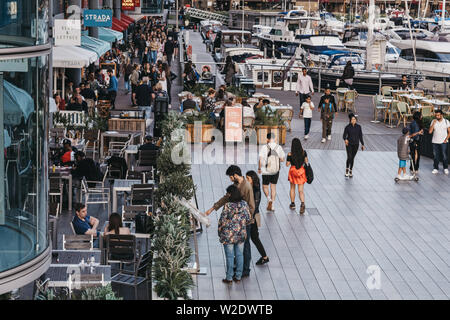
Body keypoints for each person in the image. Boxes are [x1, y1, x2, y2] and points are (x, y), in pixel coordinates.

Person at [205, 165, 255, 278]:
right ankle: (239, 271)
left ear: (235, 175)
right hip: (240, 223)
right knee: (240, 249)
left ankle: (245, 270)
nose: (230, 179)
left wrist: (247, 220)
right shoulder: (236, 185)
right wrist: (213, 208)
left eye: (230, 177)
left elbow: (251, 206)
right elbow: (226, 197)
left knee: (245, 247)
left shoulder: (247, 187)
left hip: (244, 223)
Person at [216, 185, 251, 284]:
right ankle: (238, 276)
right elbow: (248, 219)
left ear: (231, 194)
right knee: (240, 255)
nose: (227, 195)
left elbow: (222, 220)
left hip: (228, 236)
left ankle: (229, 278)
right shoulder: (244, 204)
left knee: (230, 256)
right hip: (241, 234)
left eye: (228, 193)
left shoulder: (228, 205)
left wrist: (220, 232)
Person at [245, 171, 269, 265]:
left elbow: (255, 206)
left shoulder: (256, 190)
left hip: (253, 217)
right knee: (254, 237)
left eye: (248, 178)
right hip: (251, 216)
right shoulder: (250, 188)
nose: (247, 180)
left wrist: (250, 218)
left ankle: (264, 257)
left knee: (253, 237)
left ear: (253, 179)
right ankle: (264, 257)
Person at [258, 133, 286, 212]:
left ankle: (268, 198)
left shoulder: (264, 147)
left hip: (266, 170)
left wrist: (259, 168)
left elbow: (260, 159)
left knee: (265, 187)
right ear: (275, 139)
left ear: (267, 139)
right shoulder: (278, 147)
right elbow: (282, 159)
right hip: (275, 170)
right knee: (273, 187)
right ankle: (273, 205)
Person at [286, 138, 308, 213]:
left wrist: (289, 159)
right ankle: (302, 203)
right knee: (301, 190)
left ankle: (292, 204)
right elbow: (306, 161)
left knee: (292, 188)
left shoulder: (290, 154)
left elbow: (287, 164)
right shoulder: (303, 152)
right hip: (301, 171)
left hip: (293, 171)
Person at [343, 113, 365, 178]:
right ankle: (347, 169)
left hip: (356, 144)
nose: (353, 120)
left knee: (352, 158)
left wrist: (362, 144)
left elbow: (360, 136)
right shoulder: (347, 127)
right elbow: (344, 135)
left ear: (356, 120)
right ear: (350, 120)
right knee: (349, 157)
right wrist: (345, 139)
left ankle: (351, 171)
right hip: (349, 144)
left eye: (354, 119)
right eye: (352, 119)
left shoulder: (359, 127)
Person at [428, 109, 450, 175]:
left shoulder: (446, 121)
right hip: (435, 141)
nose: (437, 116)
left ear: (441, 115)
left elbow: (449, 132)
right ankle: (435, 168)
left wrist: (446, 139)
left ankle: (445, 168)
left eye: (438, 115)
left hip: (443, 142)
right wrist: (433, 124)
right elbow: (430, 132)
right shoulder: (433, 121)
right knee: (435, 156)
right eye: (436, 115)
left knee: (444, 156)